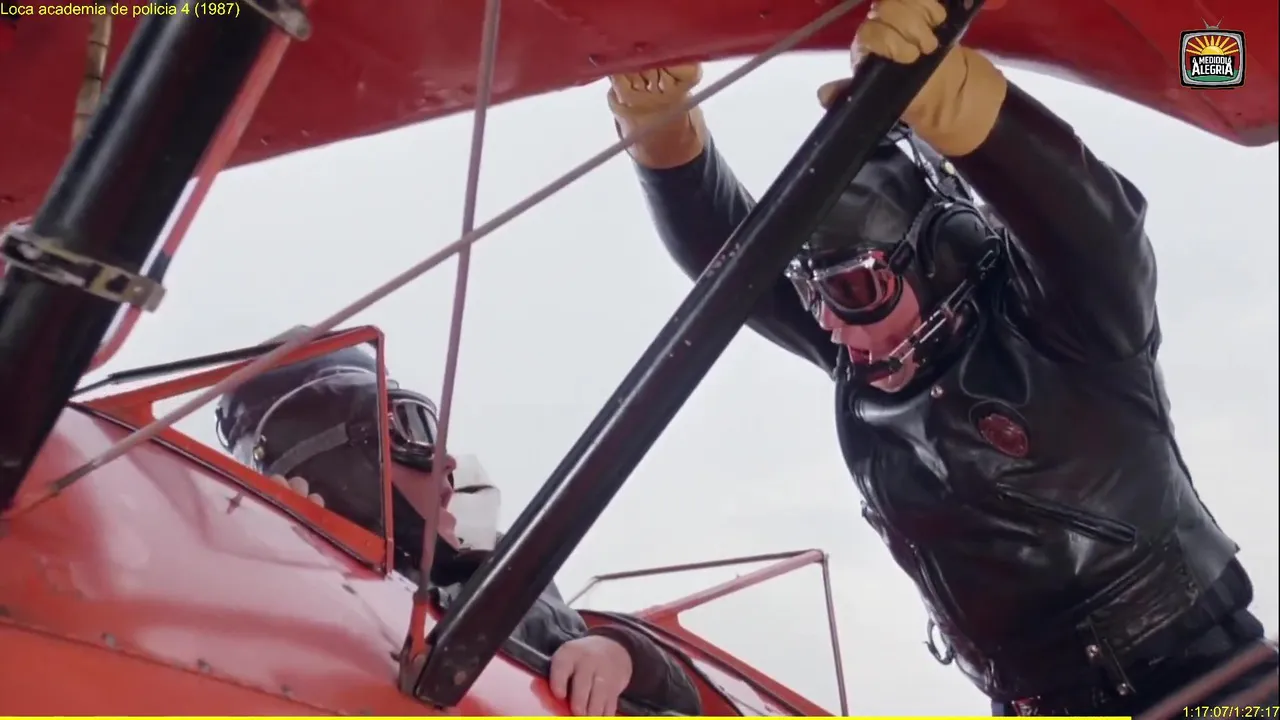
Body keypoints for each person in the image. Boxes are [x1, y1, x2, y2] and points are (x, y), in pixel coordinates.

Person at [603, 0, 1278, 715]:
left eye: (852, 288)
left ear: (935, 255)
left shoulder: (1070, 326)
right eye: (813, 294)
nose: (831, 324)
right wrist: (660, 126)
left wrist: (953, 101)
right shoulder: (863, 356)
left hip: (1207, 686)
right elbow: (729, 269)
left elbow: (1098, 228)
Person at [213, 332, 702, 717]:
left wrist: (620, 653)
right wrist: (279, 562)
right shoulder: (270, 591)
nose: (446, 460)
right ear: (336, 456)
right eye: (412, 429)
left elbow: (686, 699)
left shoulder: (499, 568)